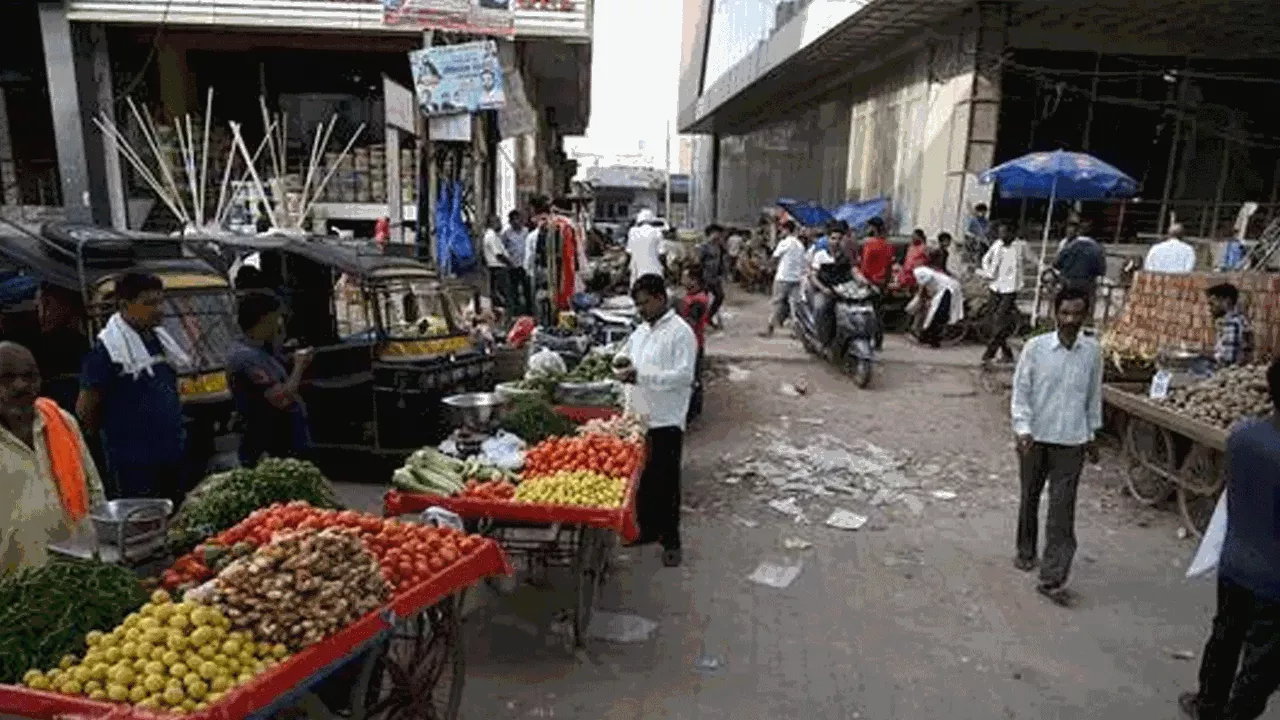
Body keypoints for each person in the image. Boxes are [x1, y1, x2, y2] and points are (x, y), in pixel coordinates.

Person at [1178, 358, 1280, 720]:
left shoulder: (1242, 436)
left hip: (1235, 562)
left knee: (1225, 635)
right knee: (1262, 661)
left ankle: (1208, 702)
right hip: (1274, 581)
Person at [1010, 286, 1102, 606]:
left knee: (1062, 510)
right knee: (1030, 497)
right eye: (1065, 313)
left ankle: (1052, 576)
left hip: (1071, 441)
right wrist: (1021, 429)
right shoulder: (1035, 349)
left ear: (1085, 315)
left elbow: (1093, 396)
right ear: (1054, 313)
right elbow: (1021, 392)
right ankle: (1025, 549)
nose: (1070, 320)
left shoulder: (1092, 351)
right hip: (1034, 438)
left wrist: (1092, 434)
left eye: (1077, 314)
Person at [77, 272, 188, 503]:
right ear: (125, 306)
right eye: (149, 303)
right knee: (142, 525)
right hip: (133, 465)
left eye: (160, 301)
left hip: (170, 454)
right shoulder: (108, 351)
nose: (159, 309)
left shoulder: (160, 341)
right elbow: (86, 410)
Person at [1, 341, 105, 574]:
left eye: (30, 376)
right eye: (6, 378)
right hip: (14, 588)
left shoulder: (63, 423)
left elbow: (94, 490)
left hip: (78, 573)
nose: (20, 385)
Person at [617, 274, 697, 567]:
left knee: (666, 481)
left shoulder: (680, 333)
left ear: (661, 298)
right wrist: (621, 365)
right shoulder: (640, 331)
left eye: (645, 303)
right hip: (638, 418)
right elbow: (625, 356)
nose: (641, 309)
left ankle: (671, 541)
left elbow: (684, 376)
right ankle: (647, 530)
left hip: (666, 419)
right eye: (637, 305)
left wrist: (641, 376)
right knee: (644, 480)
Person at [227, 291, 314, 468]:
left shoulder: (264, 351)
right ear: (264, 319)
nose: (280, 324)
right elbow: (280, 399)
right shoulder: (246, 357)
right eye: (277, 318)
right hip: (267, 448)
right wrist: (299, 366)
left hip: (286, 444)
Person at [980, 221, 1027, 365]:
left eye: (1004, 232)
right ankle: (1007, 353)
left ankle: (989, 353)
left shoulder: (1021, 246)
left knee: (1000, 318)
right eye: (1000, 232)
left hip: (1010, 288)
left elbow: (1035, 260)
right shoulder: (997, 245)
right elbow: (985, 259)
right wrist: (987, 271)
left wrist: (1045, 269)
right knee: (992, 321)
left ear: (1012, 233)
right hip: (995, 286)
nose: (1002, 235)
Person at [676, 268, 711, 423]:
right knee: (694, 376)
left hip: (693, 344)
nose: (682, 280)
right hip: (694, 342)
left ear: (694, 280)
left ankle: (691, 413)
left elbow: (690, 323)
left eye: (685, 278)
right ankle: (694, 410)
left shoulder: (698, 301)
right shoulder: (694, 296)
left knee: (692, 379)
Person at [761, 220, 806, 337]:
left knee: (777, 303)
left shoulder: (784, 243)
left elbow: (775, 258)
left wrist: (768, 267)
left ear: (786, 230)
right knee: (795, 306)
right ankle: (796, 332)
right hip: (796, 278)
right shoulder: (800, 245)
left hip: (783, 277)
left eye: (782, 230)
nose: (781, 232)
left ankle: (770, 328)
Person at [912, 250, 965, 348]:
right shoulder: (926, 270)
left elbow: (922, 286)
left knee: (938, 315)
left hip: (948, 290)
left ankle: (931, 339)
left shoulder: (921, 271)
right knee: (936, 315)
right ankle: (929, 338)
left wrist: (919, 298)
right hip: (946, 290)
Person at [1053, 220, 1107, 312]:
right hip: (1088, 283)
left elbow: (1056, 263)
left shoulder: (1070, 246)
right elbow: (1101, 269)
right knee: (1085, 309)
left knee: (1068, 307)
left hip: (1069, 281)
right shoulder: (1097, 248)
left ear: (1078, 232)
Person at [1207, 283, 1253, 367]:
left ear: (1227, 301)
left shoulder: (1231, 323)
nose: (1210, 308)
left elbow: (1227, 359)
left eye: (1212, 303)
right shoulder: (1240, 319)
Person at [698, 224, 729, 328]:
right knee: (703, 300)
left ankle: (708, 317)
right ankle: (700, 321)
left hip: (715, 277)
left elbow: (722, 261)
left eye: (719, 233)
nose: (717, 235)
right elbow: (699, 262)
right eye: (715, 233)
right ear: (710, 234)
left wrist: (723, 274)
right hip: (705, 277)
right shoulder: (704, 246)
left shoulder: (719, 247)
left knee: (719, 297)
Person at [482, 215, 514, 311]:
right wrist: (510, 263)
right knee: (503, 295)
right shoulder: (491, 236)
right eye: (498, 222)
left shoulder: (494, 235)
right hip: (498, 268)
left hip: (497, 268)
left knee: (499, 294)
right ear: (492, 223)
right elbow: (498, 254)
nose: (500, 224)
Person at [502, 211, 531, 315]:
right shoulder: (506, 234)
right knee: (513, 290)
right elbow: (503, 248)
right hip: (513, 266)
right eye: (514, 220)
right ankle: (516, 312)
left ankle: (529, 311)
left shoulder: (526, 232)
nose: (516, 222)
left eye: (518, 219)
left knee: (527, 289)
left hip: (525, 265)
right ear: (510, 221)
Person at [627, 209, 665, 287]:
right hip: (655, 272)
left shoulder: (632, 232)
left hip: (637, 273)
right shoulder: (657, 232)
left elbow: (629, 252)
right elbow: (662, 253)